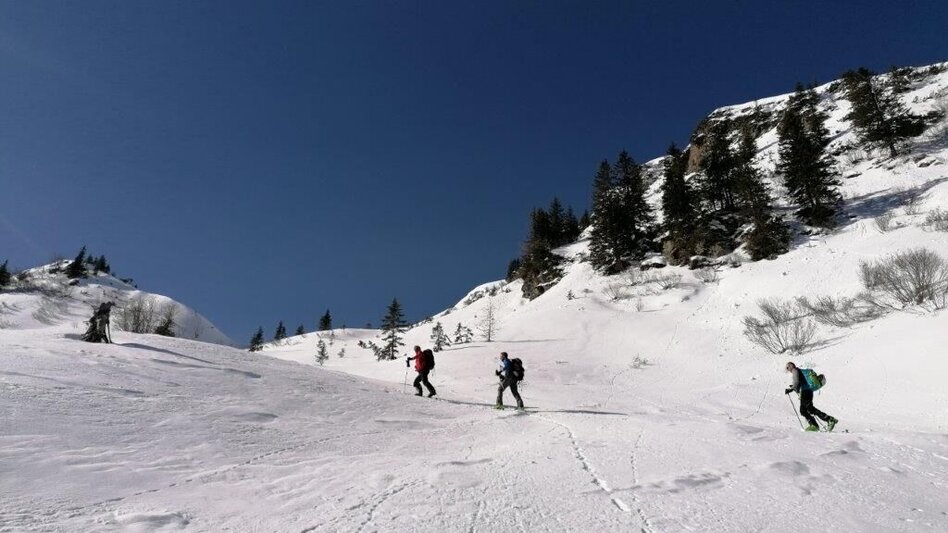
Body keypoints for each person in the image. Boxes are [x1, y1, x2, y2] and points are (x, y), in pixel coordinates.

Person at [785, 361, 837, 431]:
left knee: (809, 409)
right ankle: (814, 425)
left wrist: (791, 389)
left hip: (806, 391)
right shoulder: (799, 371)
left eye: (787, 367)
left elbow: (796, 382)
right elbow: (800, 382)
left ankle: (829, 420)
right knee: (804, 410)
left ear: (791, 366)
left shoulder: (795, 370)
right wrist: (795, 388)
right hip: (808, 391)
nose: (788, 369)